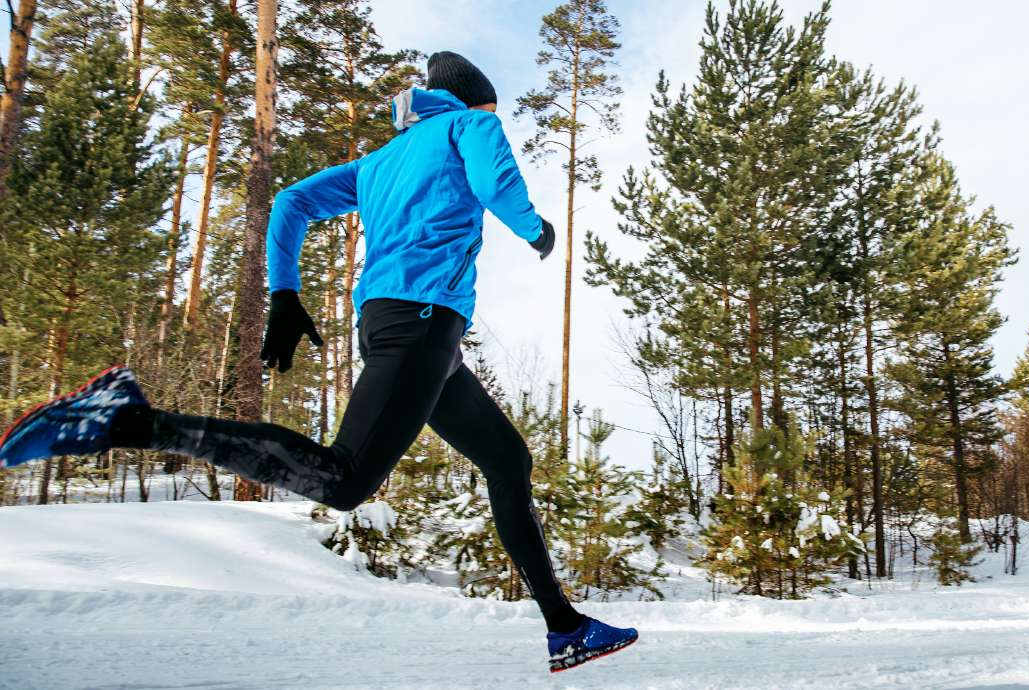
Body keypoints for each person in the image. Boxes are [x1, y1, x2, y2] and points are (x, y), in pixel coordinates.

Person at [0, 51, 636, 674]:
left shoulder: (378, 162)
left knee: (507, 460)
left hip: (412, 333)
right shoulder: (470, 123)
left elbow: (291, 203)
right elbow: (495, 183)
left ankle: (565, 628)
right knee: (345, 481)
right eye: (492, 111)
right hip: (419, 325)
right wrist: (535, 228)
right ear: (475, 101)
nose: (494, 122)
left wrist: (285, 293)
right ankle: (131, 421)